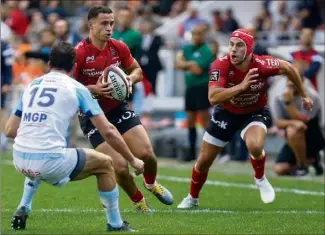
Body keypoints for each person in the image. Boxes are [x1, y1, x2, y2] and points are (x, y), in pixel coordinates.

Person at [5, 41, 144, 232]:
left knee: (39, 148)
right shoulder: (78, 88)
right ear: (74, 66)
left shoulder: (32, 85)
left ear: (49, 64)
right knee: (106, 164)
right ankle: (116, 224)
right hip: (48, 161)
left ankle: (23, 206)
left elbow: (9, 130)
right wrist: (133, 160)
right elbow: (109, 131)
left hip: (19, 159)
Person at [177, 28, 314, 209]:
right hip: (226, 113)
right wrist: (241, 87)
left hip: (254, 112)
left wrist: (304, 95)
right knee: (203, 162)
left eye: (239, 45)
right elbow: (213, 97)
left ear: (249, 49)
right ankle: (192, 198)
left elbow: (289, 67)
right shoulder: (220, 65)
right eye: (231, 44)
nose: (233, 49)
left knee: (255, 146)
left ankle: (260, 178)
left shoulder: (262, 64)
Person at [74, 6, 173, 213]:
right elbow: (67, 85)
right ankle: (139, 202)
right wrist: (92, 89)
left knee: (147, 154)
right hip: (92, 115)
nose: (109, 27)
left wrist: (129, 78)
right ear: (91, 25)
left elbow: (137, 70)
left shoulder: (118, 47)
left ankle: (151, 183)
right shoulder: (80, 52)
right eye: (104, 23)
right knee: (118, 165)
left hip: (117, 108)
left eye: (111, 23)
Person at [272, 63, 324, 176]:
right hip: (294, 141)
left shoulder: (311, 96)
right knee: (279, 169)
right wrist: (292, 122)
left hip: (312, 137)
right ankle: (311, 161)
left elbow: (303, 121)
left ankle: (302, 166)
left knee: (293, 129)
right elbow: (278, 123)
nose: (291, 82)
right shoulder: (279, 97)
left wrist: (289, 104)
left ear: (302, 80)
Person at [175, 24, 213, 161]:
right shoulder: (187, 48)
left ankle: (209, 151)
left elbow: (197, 70)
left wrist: (185, 63)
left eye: (199, 34)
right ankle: (191, 153)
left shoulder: (207, 51)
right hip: (190, 88)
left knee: (204, 121)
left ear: (203, 35)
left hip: (201, 88)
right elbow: (177, 64)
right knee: (190, 120)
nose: (196, 36)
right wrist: (190, 64)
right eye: (194, 34)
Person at [1, 40, 13, 151]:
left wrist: (6, 82)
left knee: (1, 111)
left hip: (1, 82)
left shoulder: (4, 46)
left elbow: (8, 66)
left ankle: (2, 141)